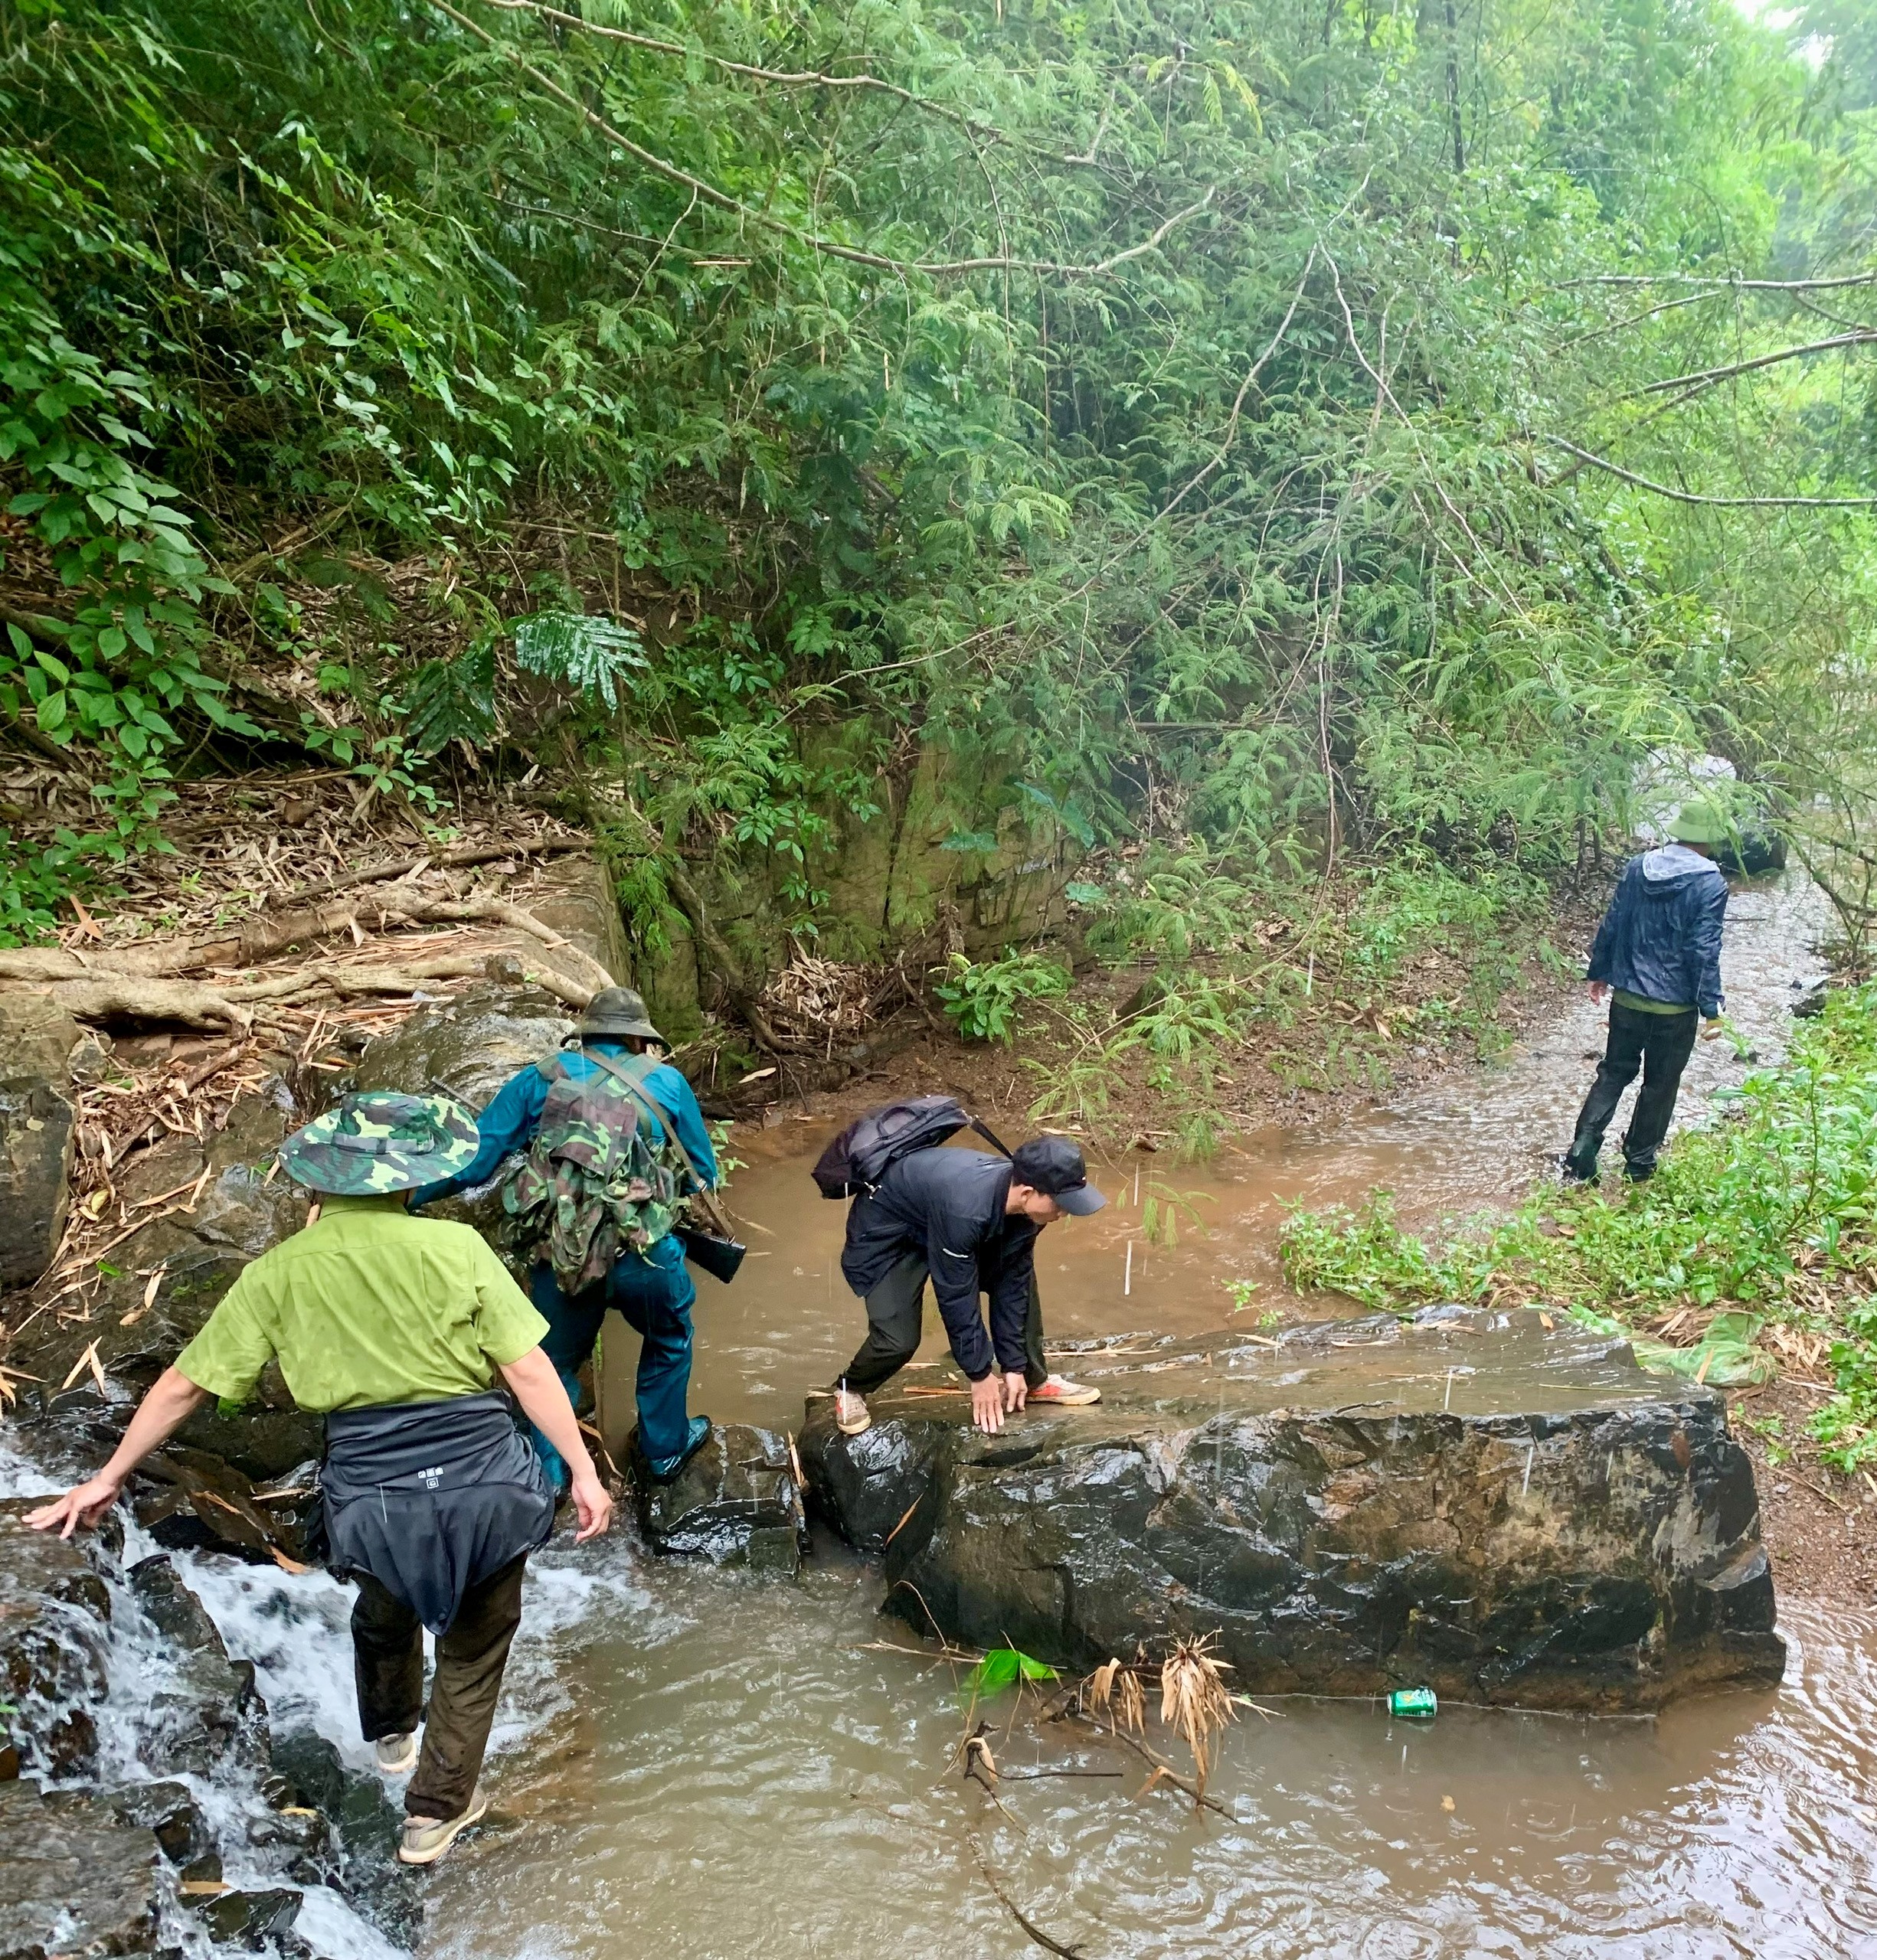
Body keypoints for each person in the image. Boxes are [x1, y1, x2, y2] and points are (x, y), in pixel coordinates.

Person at [25, 1090, 612, 1868]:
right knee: (474, 1647)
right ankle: (433, 1816)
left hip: (371, 1492)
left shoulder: (280, 1271)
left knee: (384, 1600)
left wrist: (105, 1478)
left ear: (321, 1186)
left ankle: (393, 1733)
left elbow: (184, 1384)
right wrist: (581, 1469)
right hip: (484, 1482)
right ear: (410, 1179)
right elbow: (529, 1369)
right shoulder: (458, 1250)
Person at [409, 986, 719, 1488]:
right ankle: (664, 1450)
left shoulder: (540, 1079)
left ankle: (551, 1479)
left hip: (564, 1257)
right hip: (645, 1254)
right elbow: (702, 1173)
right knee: (668, 1338)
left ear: (585, 1035)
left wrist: (406, 1199)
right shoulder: (667, 1083)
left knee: (552, 1364)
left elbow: (476, 1161)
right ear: (638, 1039)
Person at [832, 1132, 1107, 1438]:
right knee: (898, 1340)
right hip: (893, 1230)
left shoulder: (1029, 1214)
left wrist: (1013, 1365)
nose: (1064, 1213)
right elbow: (956, 1295)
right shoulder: (965, 1208)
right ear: (1028, 1192)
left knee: (1023, 1286)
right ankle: (851, 1388)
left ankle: (1031, 1380)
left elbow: (1012, 1284)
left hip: (949, 1221)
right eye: (1061, 1203)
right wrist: (980, 1374)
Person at [1563, 799, 1730, 1184]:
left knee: (1613, 1073)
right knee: (1660, 1084)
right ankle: (1639, 1164)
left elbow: (1614, 921)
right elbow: (1703, 950)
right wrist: (1711, 1008)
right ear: (1708, 840)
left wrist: (1600, 972)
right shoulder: (1710, 882)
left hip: (1627, 999)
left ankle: (1582, 1151)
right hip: (1674, 1010)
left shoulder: (1639, 866)